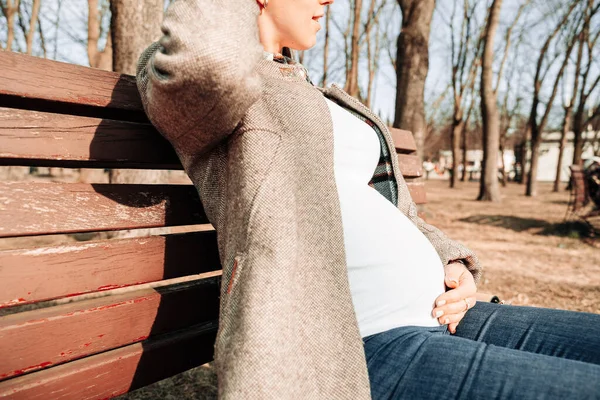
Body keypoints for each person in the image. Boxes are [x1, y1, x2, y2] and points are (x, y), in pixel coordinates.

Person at [136, 0, 600, 398]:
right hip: (363, 347)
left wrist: (448, 260)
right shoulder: (210, 89)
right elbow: (210, 65)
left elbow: (387, 204)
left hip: (447, 315)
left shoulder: (313, 91)